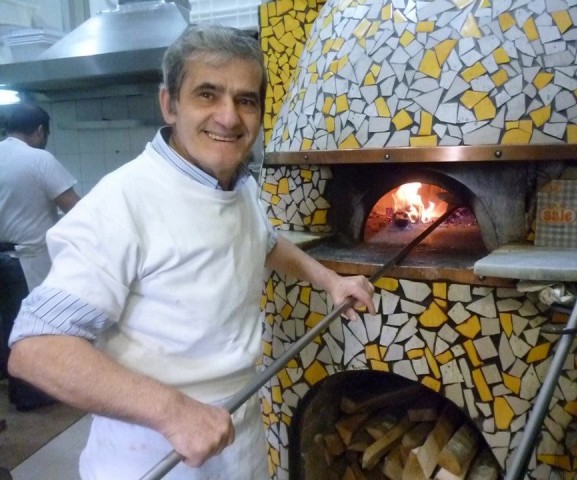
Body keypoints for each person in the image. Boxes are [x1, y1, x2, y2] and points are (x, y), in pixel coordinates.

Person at [7, 25, 375, 479]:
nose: (229, 117)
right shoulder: (122, 203)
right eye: (207, 94)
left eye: (246, 100)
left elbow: (263, 243)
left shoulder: (239, 186)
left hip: (240, 436)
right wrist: (173, 411)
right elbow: (36, 348)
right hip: (153, 452)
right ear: (169, 104)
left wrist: (330, 281)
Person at [0, 103, 80, 411]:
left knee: (5, 325)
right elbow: (75, 208)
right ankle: (28, 395)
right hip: (24, 261)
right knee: (28, 329)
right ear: (39, 131)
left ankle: (9, 382)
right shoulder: (38, 159)